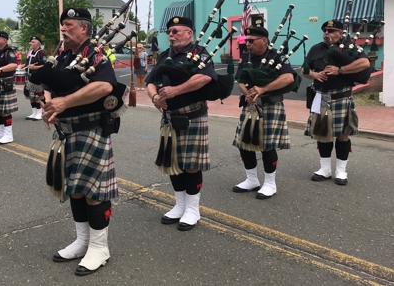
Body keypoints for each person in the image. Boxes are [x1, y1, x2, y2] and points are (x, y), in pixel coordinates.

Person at [42, 8, 118, 276]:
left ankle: (99, 247)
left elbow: (105, 87)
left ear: (84, 28)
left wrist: (65, 102)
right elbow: (49, 81)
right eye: (62, 24)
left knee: (93, 192)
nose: (63, 28)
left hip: (90, 130)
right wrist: (49, 102)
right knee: (75, 188)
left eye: (69, 24)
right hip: (65, 132)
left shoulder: (95, 54)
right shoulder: (62, 55)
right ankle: (82, 240)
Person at [146, 16, 217, 231]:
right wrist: (154, 98)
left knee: (191, 164)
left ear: (189, 33)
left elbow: (205, 78)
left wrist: (176, 90)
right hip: (169, 118)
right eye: (170, 31)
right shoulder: (166, 56)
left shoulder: (199, 53)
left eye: (176, 31)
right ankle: (180, 205)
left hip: (192, 115)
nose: (171, 35)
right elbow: (151, 81)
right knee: (173, 163)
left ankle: (193, 209)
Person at [301, 19, 370, 185]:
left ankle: (341, 170)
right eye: (325, 30)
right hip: (320, 95)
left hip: (341, 96)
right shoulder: (316, 49)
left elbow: (365, 63)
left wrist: (340, 70)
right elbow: (304, 70)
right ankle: (325, 169)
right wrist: (315, 75)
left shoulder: (350, 48)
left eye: (331, 30)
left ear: (340, 33)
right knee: (322, 133)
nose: (327, 33)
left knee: (342, 134)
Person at [231, 26, 296, 199]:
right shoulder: (246, 57)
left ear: (264, 41)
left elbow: (288, 78)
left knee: (267, 146)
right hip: (250, 105)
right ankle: (251, 180)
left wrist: (262, 88)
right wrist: (248, 94)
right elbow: (241, 81)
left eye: (251, 41)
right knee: (244, 144)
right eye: (247, 41)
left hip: (270, 105)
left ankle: (270, 183)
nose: (248, 44)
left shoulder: (277, 56)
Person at [23, 36, 47, 120]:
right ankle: (34, 113)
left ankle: (40, 113)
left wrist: (34, 67)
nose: (31, 43)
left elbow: (44, 65)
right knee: (31, 96)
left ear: (38, 43)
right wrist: (23, 66)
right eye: (31, 42)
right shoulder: (30, 52)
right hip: (29, 76)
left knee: (37, 96)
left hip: (37, 77)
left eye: (33, 42)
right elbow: (27, 63)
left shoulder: (41, 53)